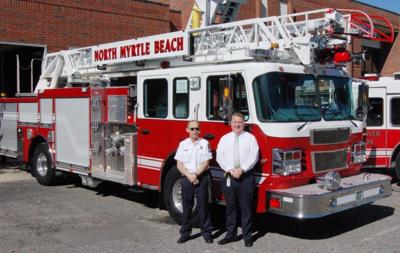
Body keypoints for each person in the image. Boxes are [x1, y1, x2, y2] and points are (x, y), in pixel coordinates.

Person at [216, 112, 259, 247]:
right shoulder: (224, 139)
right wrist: (230, 169)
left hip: (246, 177)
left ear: (244, 124)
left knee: (246, 208)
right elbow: (219, 157)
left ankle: (247, 236)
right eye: (235, 122)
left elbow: (254, 156)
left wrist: (243, 169)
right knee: (231, 207)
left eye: (240, 122)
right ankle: (231, 234)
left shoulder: (251, 138)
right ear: (231, 123)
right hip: (229, 176)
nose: (237, 125)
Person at [174, 120, 213, 244]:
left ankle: (206, 233)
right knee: (187, 206)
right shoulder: (183, 144)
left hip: (201, 177)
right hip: (186, 178)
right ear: (187, 130)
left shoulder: (205, 143)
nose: (195, 131)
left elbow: (206, 162)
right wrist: (189, 176)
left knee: (203, 206)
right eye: (192, 129)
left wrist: (195, 174)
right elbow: (179, 164)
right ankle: (185, 233)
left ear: (200, 130)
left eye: (197, 129)